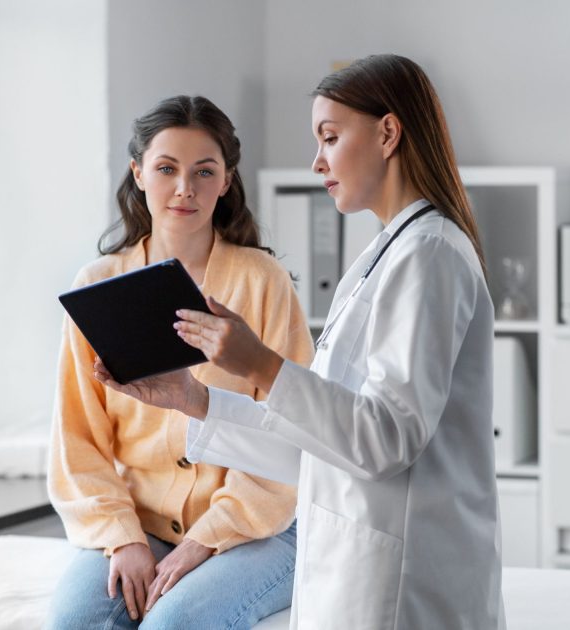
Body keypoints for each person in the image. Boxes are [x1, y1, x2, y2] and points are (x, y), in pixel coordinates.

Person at [95, 55, 505, 629]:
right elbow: (321, 443)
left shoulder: (429, 255)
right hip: (354, 566)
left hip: (404, 585)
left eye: (330, 137)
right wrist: (197, 400)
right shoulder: (384, 256)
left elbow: (386, 439)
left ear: (388, 133)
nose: (317, 162)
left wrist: (260, 364)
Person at [45, 95, 314, 630]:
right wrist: (123, 538)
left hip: (258, 524)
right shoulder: (97, 287)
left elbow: (291, 431)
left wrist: (202, 543)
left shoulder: (262, 283)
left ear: (227, 180)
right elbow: (77, 440)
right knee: (76, 623)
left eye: (204, 172)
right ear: (138, 173)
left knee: (173, 624)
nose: (184, 188)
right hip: (137, 521)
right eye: (166, 169)